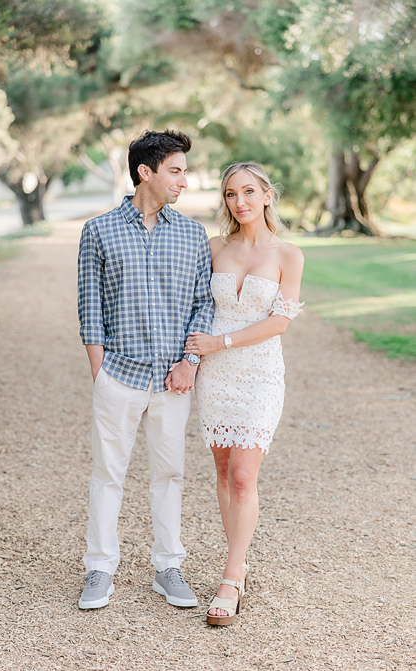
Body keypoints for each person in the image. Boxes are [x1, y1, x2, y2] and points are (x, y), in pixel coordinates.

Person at [76, 130, 214, 610]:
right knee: (107, 475)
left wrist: (190, 363)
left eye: (184, 172)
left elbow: (203, 305)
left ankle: (168, 567)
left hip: (173, 380)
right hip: (119, 374)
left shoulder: (193, 235)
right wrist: (100, 372)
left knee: (169, 475)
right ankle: (99, 569)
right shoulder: (98, 231)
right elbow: (90, 307)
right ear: (145, 172)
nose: (183, 181)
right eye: (175, 171)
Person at [184, 161, 304, 626]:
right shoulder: (214, 247)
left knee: (241, 475)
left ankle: (231, 578)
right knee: (221, 469)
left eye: (249, 191)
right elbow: (194, 305)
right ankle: (240, 560)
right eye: (231, 194)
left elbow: (280, 322)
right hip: (215, 376)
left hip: (259, 374)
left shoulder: (288, 255)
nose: (240, 202)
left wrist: (222, 341)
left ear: (267, 195)